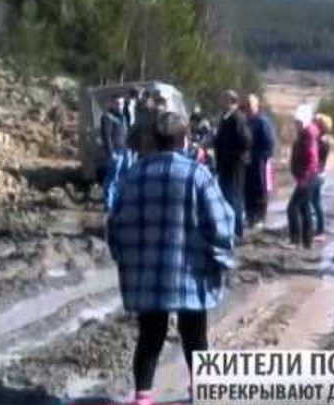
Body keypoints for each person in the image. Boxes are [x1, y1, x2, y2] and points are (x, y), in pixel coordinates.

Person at [107, 112, 235, 405]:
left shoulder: (133, 175)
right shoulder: (197, 175)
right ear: (185, 139)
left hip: (148, 275)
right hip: (191, 272)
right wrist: (221, 259)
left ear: (154, 140)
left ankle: (142, 397)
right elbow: (222, 223)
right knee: (195, 336)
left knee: (150, 335)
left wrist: (125, 259)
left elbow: (115, 225)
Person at [214, 90, 252, 240]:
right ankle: (229, 229)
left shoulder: (237, 118)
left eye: (224, 99)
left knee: (234, 197)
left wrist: (235, 154)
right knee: (226, 197)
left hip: (234, 165)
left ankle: (237, 231)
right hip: (225, 164)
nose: (221, 101)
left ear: (232, 101)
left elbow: (246, 140)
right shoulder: (225, 118)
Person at [287, 104, 321, 249]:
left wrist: (304, 178)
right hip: (307, 177)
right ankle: (307, 241)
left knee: (292, 207)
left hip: (307, 178)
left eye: (299, 122)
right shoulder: (305, 134)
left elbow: (312, 159)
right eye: (296, 122)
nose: (296, 125)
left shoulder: (308, 136)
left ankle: (296, 240)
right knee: (304, 207)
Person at [242, 94, 275, 230]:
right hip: (246, 161)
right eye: (247, 105)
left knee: (260, 189)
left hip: (259, 161)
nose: (249, 108)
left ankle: (260, 217)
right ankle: (250, 216)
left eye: (251, 105)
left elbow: (269, 142)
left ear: (256, 106)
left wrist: (263, 158)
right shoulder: (245, 121)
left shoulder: (262, 122)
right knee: (247, 189)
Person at [101, 94, 132, 212]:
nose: (120, 105)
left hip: (125, 150)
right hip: (115, 151)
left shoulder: (123, 116)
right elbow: (106, 136)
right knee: (112, 177)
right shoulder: (107, 117)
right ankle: (108, 203)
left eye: (121, 103)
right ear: (112, 103)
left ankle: (119, 201)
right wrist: (110, 153)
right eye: (117, 103)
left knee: (124, 177)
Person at [312, 113, 333, 242]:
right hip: (319, 172)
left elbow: (318, 159)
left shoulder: (322, 141)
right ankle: (318, 229)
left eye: (316, 122)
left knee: (315, 202)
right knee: (314, 202)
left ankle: (320, 230)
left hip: (317, 173)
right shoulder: (321, 139)